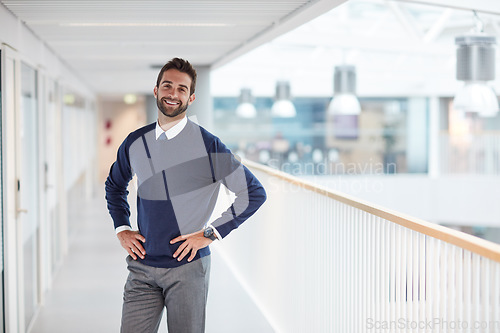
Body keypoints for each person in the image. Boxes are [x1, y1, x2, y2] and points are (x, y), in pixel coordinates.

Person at [105, 57, 266, 333]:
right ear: (156, 91)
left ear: (191, 98)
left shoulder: (208, 145)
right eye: (167, 86)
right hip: (142, 267)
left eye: (182, 89)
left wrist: (210, 233)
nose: (173, 94)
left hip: (188, 269)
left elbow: (253, 193)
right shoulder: (135, 141)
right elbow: (114, 185)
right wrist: (122, 228)